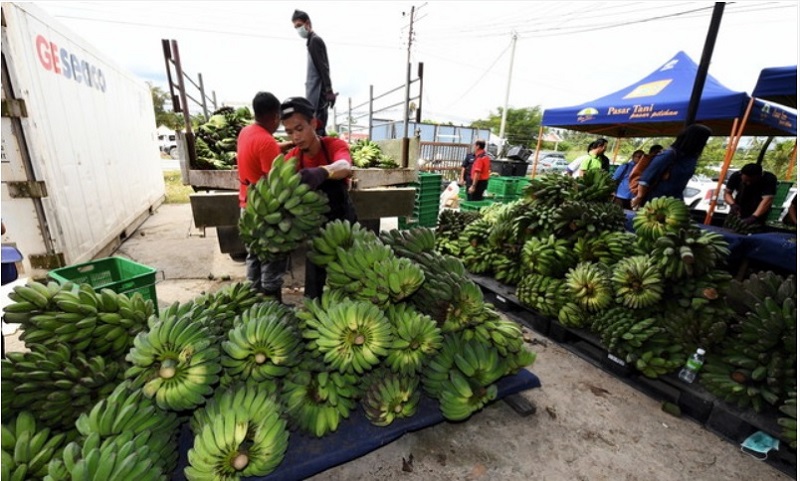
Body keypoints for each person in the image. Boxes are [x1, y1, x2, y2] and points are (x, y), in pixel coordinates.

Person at [281, 96, 356, 299]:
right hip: (315, 227)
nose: (295, 137)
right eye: (289, 132)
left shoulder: (333, 145)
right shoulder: (293, 159)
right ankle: (313, 312)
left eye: (299, 128)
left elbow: (345, 166)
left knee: (350, 274)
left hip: (344, 222)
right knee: (314, 275)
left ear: (313, 123)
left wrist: (323, 171)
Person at [237, 92, 294, 302]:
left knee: (253, 256)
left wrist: (281, 147)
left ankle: (252, 301)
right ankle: (273, 306)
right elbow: (277, 180)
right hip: (265, 212)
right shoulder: (266, 141)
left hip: (247, 207)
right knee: (271, 257)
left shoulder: (246, 132)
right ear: (274, 116)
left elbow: (256, 152)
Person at [631, 124, 712, 209]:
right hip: (656, 202)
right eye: (703, 140)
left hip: (675, 202)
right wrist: (639, 197)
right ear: (694, 139)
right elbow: (646, 178)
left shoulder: (692, 159)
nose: (705, 143)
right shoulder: (669, 154)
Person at [292, 9, 336, 137]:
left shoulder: (315, 41)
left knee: (318, 128)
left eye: (299, 25)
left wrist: (329, 90)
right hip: (313, 95)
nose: (298, 29)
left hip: (318, 95)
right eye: (296, 27)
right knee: (315, 128)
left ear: (307, 23)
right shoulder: (310, 42)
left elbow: (323, 68)